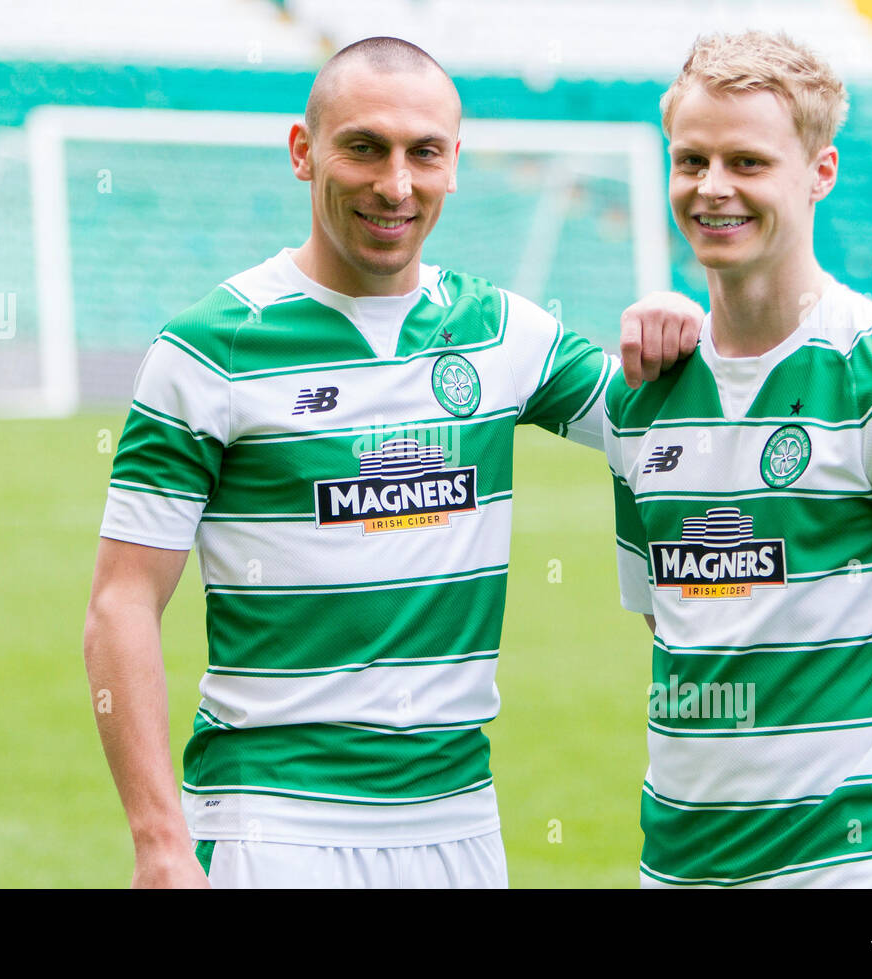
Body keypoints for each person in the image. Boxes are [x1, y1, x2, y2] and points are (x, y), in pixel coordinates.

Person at [83, 36, 701, 889]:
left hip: (459, 827)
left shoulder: (502, 332)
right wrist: (159, 839)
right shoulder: (209, 349)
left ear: (456, 163)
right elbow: (122, 600)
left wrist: (681, 318)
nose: (396, 185)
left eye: (424, 153)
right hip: (273, 823)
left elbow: (690, 437)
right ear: (305, 153)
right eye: (364, 148)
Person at [604, 30, 872, 888]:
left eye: (748, 162)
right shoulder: (639, 394)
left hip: (864, 870)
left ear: (819, 173)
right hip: (679, 862)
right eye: (692, 160)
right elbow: (681, 622)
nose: (712, 187)